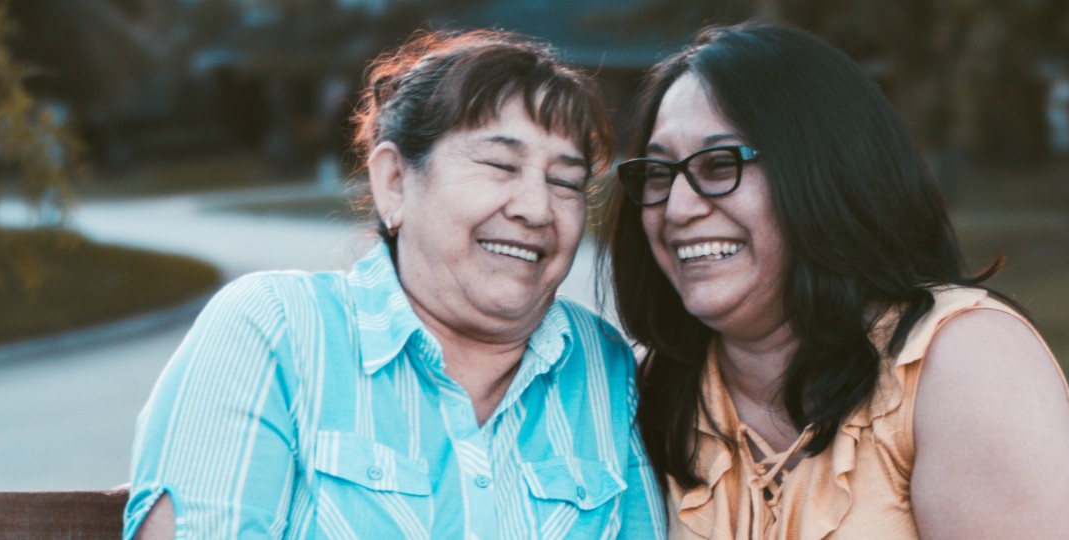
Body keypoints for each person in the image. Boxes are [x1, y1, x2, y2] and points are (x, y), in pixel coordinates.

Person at [126, 30, 666, 539]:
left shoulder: (600, 363)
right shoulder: (277, 330)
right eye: (501, 164)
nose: (536, 208)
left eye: (565, 181)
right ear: (394, 183)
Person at [599, 22, 1069, 539]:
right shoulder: (651, 392)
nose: (677, 208)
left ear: (822, 174)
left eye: (720, 164)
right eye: (657, 173)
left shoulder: (963, 361)